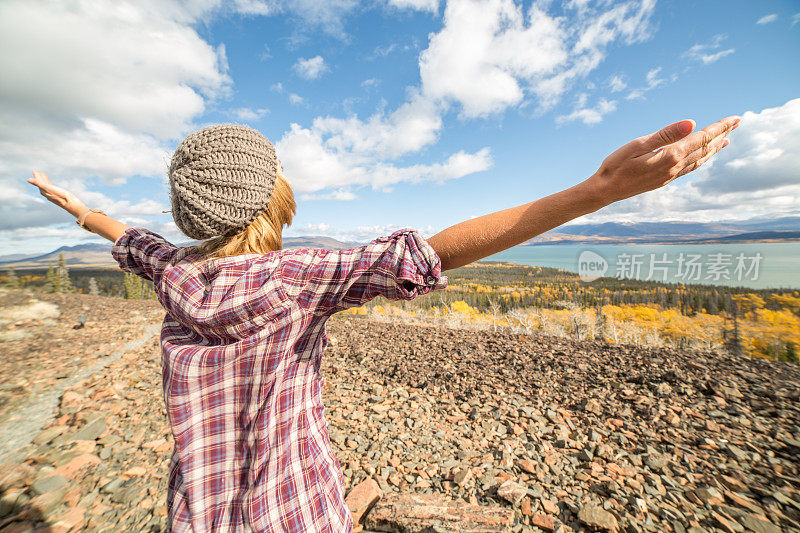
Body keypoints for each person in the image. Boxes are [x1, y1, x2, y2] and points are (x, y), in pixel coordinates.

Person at [27, 116, 739, 532]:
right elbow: (433, 252)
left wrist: (74, 207)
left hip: (201, 507)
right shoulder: (294, 278)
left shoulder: (174, 274)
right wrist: (596, 191)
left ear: (192, 215)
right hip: (297, 507)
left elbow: (129, 237)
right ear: (270, 200)